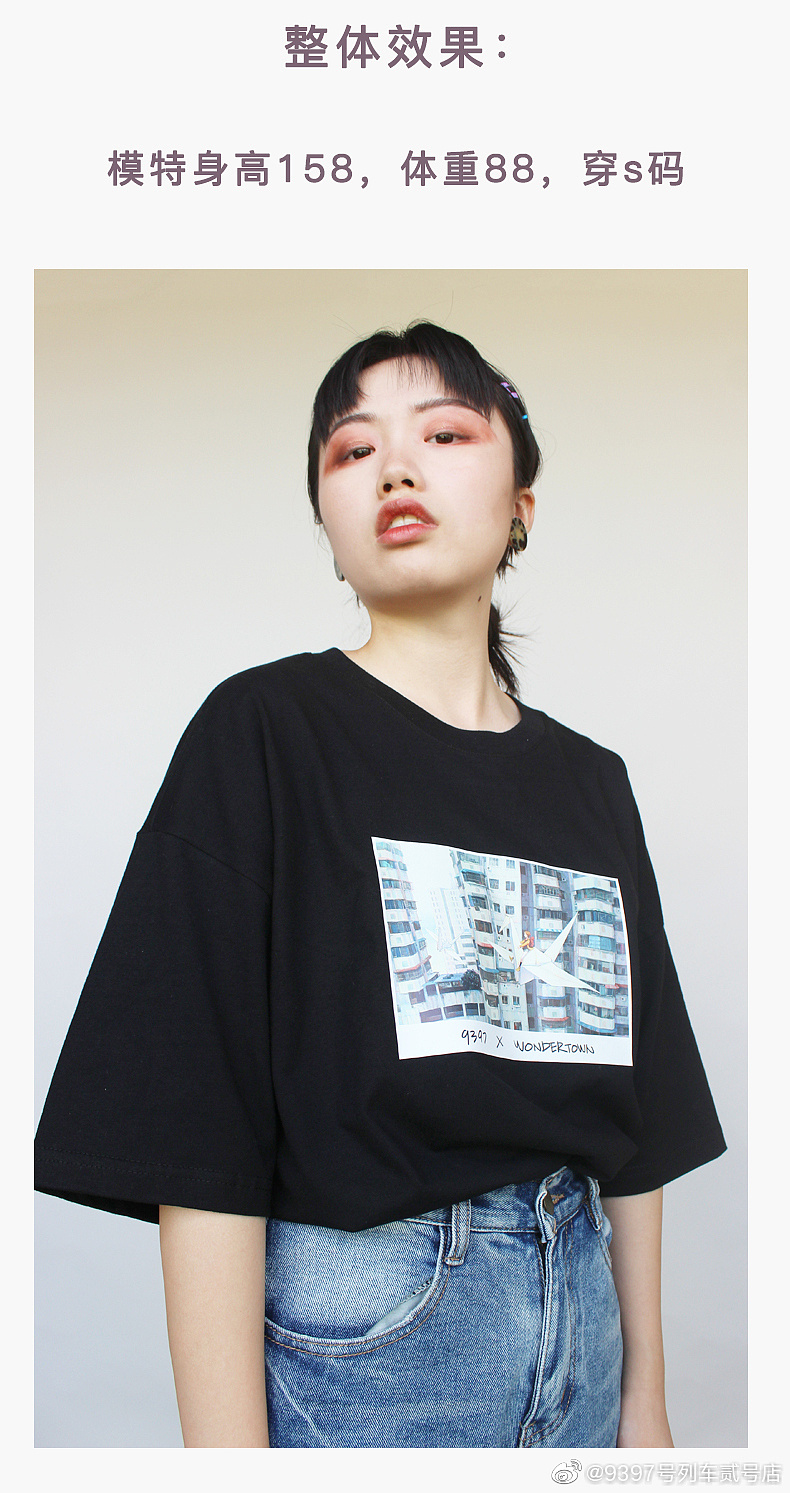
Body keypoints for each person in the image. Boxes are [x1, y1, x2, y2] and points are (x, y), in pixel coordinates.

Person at [34, 321, 726, 1450]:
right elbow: (197, 1139)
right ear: (329, 525)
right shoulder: (263, 732)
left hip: (585, 1320)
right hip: (377, 1346)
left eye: (444, 433)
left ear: (521, 507)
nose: (395, 467)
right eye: (353, 451)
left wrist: (644, 1403)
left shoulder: (592, 782)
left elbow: (637, 1122)